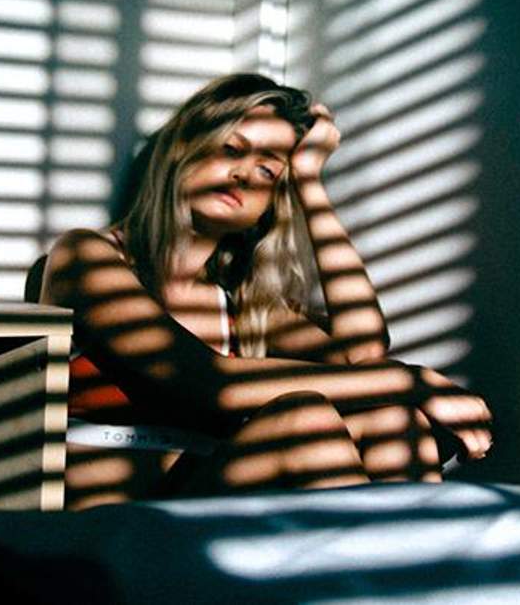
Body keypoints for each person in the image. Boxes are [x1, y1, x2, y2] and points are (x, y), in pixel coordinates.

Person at [40, 73, 492, 505]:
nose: (244, 174)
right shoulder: (85, 255)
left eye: (267, 171)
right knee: (305, 421)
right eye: (231, 149)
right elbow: (209, 383)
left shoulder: (240, 304)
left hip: (206, 503)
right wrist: (412, 379)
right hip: (115, 511)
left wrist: (309, 183)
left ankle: (408, 555)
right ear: (183, 148)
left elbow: (365, 357)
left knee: (393, 418)